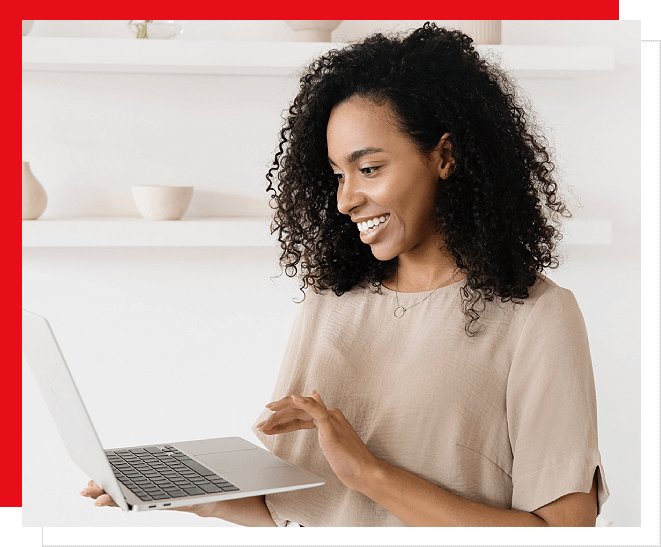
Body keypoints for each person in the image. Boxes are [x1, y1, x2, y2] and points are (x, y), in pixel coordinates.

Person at [81, 22, 609, 527]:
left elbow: (566, 526)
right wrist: (185, 494)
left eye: (370, 168)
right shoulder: (329, 306)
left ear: (444, 156)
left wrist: (370, 474)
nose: (346, 198)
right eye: (337, 174)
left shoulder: (536, 316)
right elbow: (299, 509)